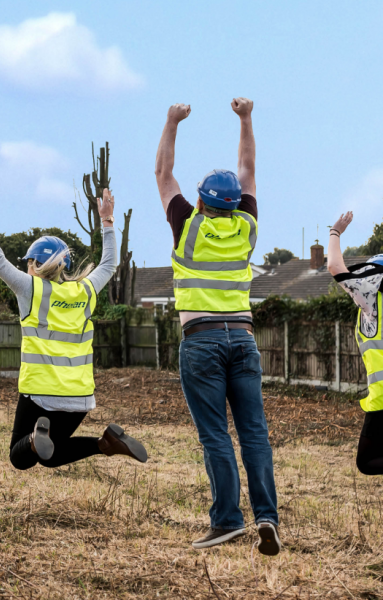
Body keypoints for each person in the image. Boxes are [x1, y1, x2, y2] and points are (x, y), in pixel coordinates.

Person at [155, 98, 281, 554]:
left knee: (215, 435)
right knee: (254, 433)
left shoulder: (186, 225)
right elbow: (247, 167)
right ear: (234, 204)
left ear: (203, 201)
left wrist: (172, 122)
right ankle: (267, 516)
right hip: (244, 341)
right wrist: (247, 118)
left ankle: (228, 520)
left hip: (202, 342)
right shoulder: (248, 227)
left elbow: (163, 174)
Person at [0, 182, 148, 472]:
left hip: (41, 393)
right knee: (50, 455)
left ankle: (33, 437)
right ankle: (105, 443)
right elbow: (109, 264)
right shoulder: (85, 291)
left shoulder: (30, 289)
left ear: (33, 264)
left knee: (20, 458)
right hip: (80, 397)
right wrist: (107, 220)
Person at [326, 211, 383, 476]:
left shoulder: (372, 300)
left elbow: (336, 268)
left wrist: (335, 233)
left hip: (382, 400)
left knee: (366, 462)